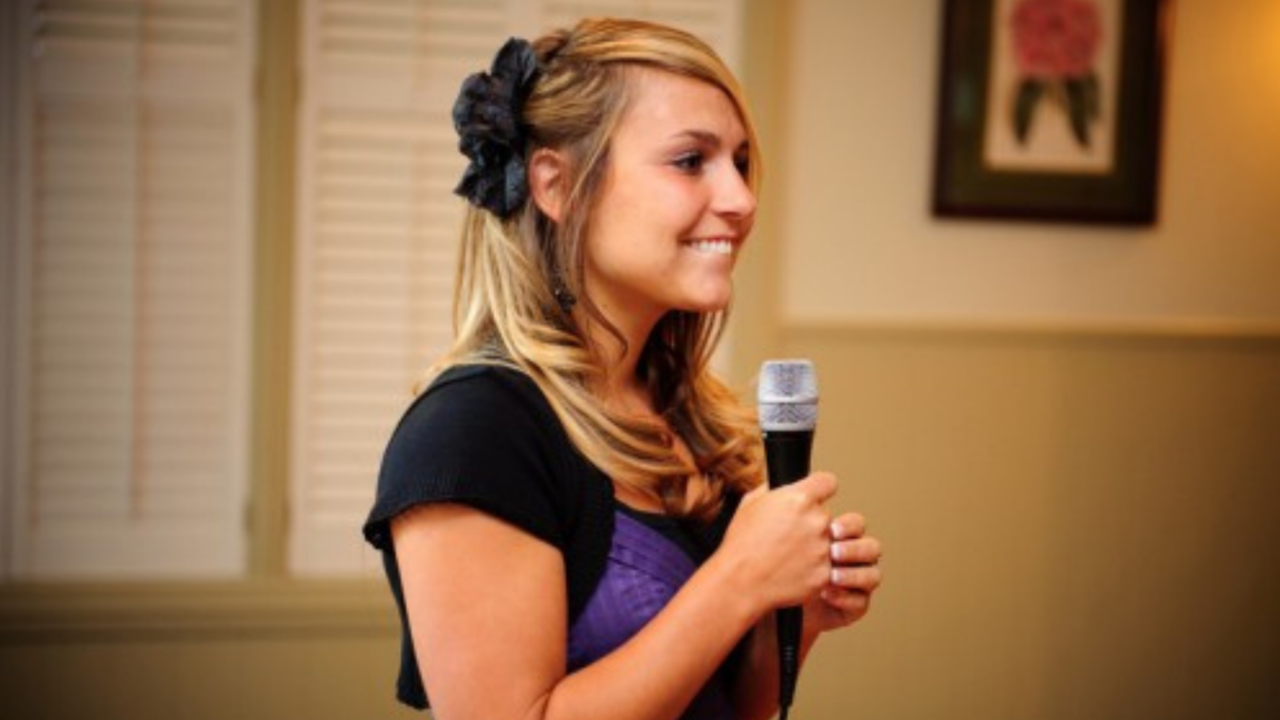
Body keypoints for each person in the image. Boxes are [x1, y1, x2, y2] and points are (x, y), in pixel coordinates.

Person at [363, 17, 883, 720]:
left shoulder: (690, 418)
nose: (741, 199)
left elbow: (723, 705)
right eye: (690, 161)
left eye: (739, 162)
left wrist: (786, 617)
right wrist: (737, 580)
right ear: (558, 186)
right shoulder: (472, 432)